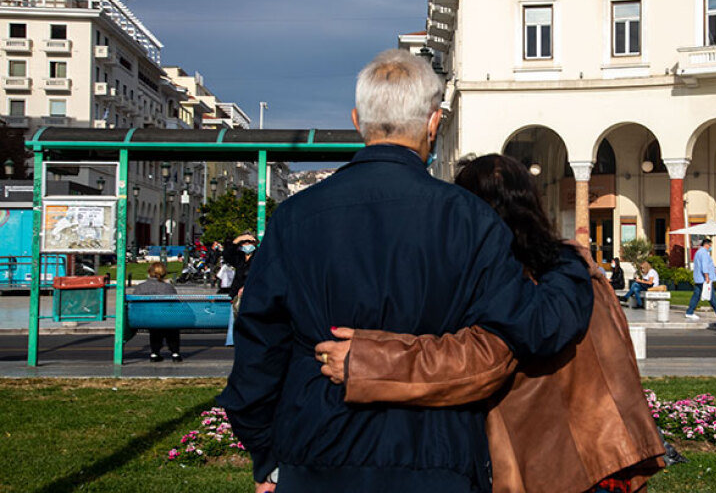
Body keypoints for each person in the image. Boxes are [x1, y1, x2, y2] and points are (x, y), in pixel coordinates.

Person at [217, 49, 593, 493]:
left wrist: (268, 456)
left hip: (317, 451)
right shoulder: (469, 219)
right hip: (437, 454)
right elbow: (529, 328)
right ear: (433, 123)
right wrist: (568, 263)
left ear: (359, 120)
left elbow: (259, 350)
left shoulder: (296, 217)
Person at [314, 154, 666, 493]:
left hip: (552, 470)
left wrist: (366, 360)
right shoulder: (579, 272)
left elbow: (482, 361)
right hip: (609, 459)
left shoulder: (514, 285)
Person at [133, 261, 182, 362]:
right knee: (171, 326)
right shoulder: (168, 287)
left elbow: (134, 304)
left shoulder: (140, 287)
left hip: (145, 319)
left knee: (155, 326)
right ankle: (175, 352)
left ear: (149, 272)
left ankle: (154, 353)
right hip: (165, 319)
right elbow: (175, 305)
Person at [684, 239, 716, 333]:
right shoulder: (704, 253)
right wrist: (707, 276)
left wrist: (715, 271)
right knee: (710, 295)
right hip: (704, 278)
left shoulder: (698, 252)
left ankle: (689, 312)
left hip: (698, 278)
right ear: (706, 244)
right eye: (710, 245)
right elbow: (705, 266)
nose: (710, 247)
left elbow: (706, 265)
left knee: (697, 295)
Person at [221, 233, 257, 348]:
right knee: (235, 316)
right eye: (244, 242)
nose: (247, 244)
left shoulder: (260, 256)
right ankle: (233, 340)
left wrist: (248, 286)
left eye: (249, 242)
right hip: (238, 293)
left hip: (253, 293)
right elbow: (227, 254)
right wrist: (237, 239)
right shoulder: (239, 257)